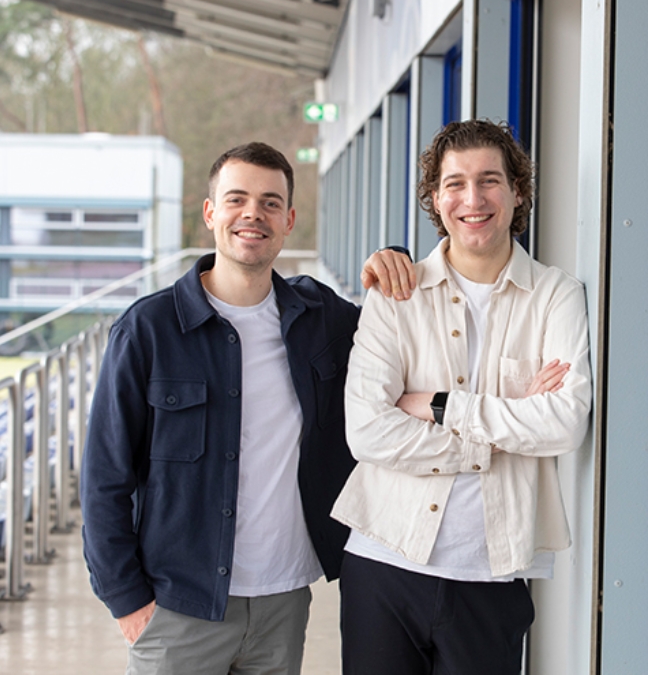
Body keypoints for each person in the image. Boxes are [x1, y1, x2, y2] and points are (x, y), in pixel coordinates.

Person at [80, 142, 413, 674]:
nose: (253, 214)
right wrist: (127, 600)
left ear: (289, 220)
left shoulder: (322, 319)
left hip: (284, 601)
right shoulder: (149, 330)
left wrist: (392, 255)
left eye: (270, 203)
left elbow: (394, 334)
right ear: (210, 213)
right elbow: (104, 476)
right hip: (178, 605)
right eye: (236, 199)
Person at [331, 119, 592, 674]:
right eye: (455, 184)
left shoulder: (556, 296)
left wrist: (440, 405)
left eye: (489, 181)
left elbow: (564, 423)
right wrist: (496, 438)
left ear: (517, 191)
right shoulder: (395, 294)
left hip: (491, 574)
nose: (473, 200)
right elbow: (367, 431)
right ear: (434, 197)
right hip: (384, 559)